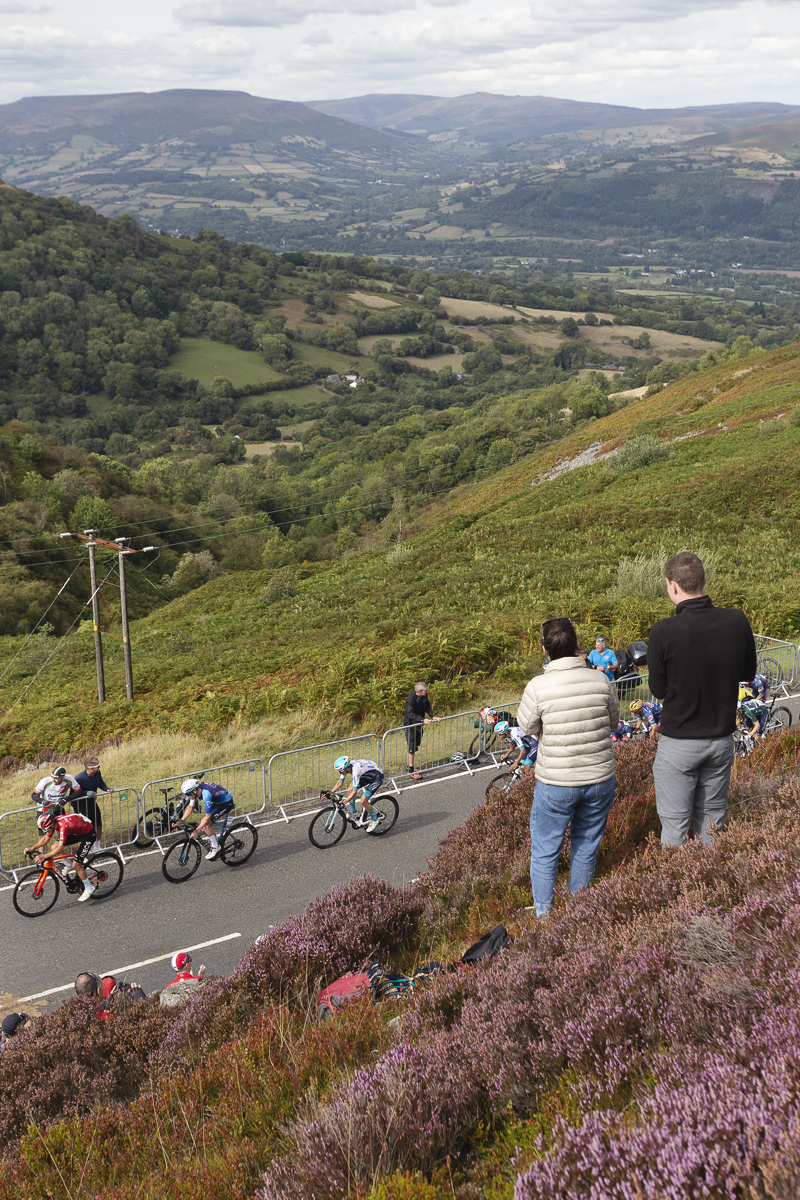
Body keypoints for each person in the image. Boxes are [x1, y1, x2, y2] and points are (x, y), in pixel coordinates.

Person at [648, 551, 757, 847]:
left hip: (680, 741)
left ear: (672, 586)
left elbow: (658, 690)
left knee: (675, 830)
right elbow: (748, 672)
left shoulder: (662, 632)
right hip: (721, 738)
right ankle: (708, 886)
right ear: (704, 581)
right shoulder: (736, 620)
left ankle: (680, 889)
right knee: (711, 824)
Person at [517, 616, 619, 918]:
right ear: (577, 645)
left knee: (546, 849)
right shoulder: (600, 680)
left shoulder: (538, 686)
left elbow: (527, 724)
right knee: (586, 845)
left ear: (545, 650)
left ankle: (546, 917)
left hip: (557, 782)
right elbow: (613, 721)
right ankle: (578, 913)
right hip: (600, 778)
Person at [24, 809, 97, 901]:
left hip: (88, 835)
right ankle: (68, 865)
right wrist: (32, 848)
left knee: (76, 865)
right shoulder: (54, 822)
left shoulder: (63, 826)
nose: (46, 831)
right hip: (77, 832)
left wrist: (44, 856)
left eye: (46, 829)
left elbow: (60, 848)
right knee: (54, 846)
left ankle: (89, 888)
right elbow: (46, 839)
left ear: (52, 825)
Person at [179, 777, 235, 861]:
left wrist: (196, 831)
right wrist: (181, 821)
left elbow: (208, 817)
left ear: (194, 791)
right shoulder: (195, 792)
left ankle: (215, 847)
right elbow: (191, 808)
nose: (187, 796)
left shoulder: (206, 794)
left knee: (204, 825)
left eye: (188, 794)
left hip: (226, 803)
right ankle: (217, 840)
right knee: (203, 825)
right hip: (219, 801)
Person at [333, 756, 385, 832]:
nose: (339, 773)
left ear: (347, 768)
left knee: (363, 800)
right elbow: (340, 783)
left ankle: (374, 820)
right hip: (366, 775)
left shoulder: (355, 770)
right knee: (349, 789)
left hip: (376, 777)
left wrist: (343, 803)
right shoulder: (347, 767)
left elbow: (355, 792)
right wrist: (330, 792)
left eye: (340, 771)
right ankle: (353, 812)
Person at [403, 681, 440, 780]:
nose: (427, 692)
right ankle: (411, 771)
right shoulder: (410, 699)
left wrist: (433, 716)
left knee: (415, 746)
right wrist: (422, 720)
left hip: (419, 724)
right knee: (411, 747)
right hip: (410, 724)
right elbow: (410, 714)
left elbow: (427, 707)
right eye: (425, 690)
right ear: (419, 691)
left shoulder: (424, 697)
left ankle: (410, 766)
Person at [71, 756, 113, 840]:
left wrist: (106, 788)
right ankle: (84, 848)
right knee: (84, 828)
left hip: (92, 803)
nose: (99, 767)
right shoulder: (79, 778)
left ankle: (97, 847)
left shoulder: (97, 773)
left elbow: (100, 782)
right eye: (97, 766)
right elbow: (74, 793)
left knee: (98, 825)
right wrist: (86, 793)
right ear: (90, 768)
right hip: (81, 806)